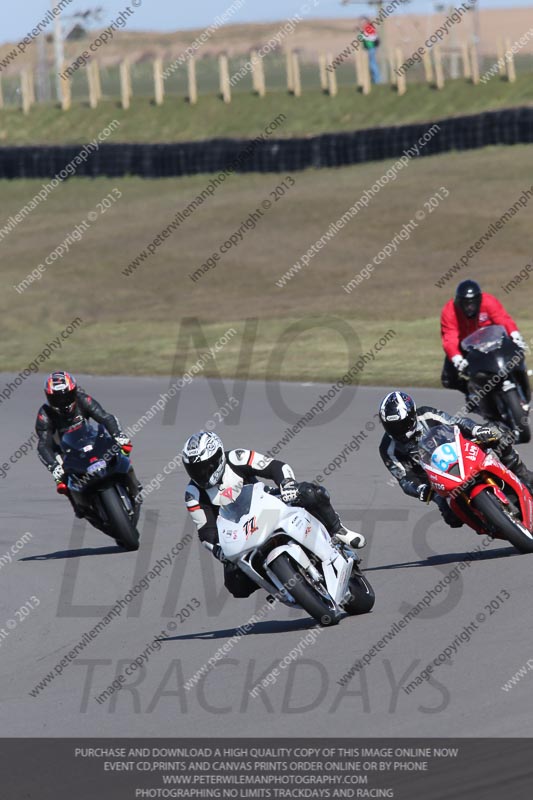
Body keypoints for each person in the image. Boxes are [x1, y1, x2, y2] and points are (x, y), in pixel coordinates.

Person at [182, 431, 365, 598]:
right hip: (240, 532)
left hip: (267, 504)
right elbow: (206, 530)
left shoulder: (237, 457)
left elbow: (275, 467)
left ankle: (337, 530)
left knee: (311, 493)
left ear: (218, 457)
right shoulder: (193, 494)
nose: (201, 474)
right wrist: (217, 549)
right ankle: (276, 579)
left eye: (205, 467)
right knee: (235, 584)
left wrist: (286, 484)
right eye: (195, 470)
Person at [378, 391, 533, 528]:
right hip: (435, 480)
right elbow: (403, 478)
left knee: (499, 437)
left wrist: (477, 429)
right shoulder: (387, 448)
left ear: (411, 415)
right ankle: (488, 521)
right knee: (452, 518)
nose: (398, 430)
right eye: (392, 426)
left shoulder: (427, 414)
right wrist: (420, 489)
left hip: (460, 451)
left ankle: (521, 471)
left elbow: (456, 422)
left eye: (400, 424)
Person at [35, 371, 140, 516]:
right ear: (49, 397)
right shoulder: (44, 414)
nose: (63, 402)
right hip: (64, 451)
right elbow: (43, 445)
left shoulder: (83, 399)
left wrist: (119, 435)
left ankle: (133, 482)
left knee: (121, 449)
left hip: (88, 438)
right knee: (62, 480)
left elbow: (106, 417)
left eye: (66, 396)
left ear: (74, 391)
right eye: (57, 399)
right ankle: (78, 504)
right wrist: (53, 467)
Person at [441, 279, 529, 398]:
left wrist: (514, 334)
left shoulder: (489, 301)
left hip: (491, 339)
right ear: (459, 302)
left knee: (516, 354)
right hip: (465, 346)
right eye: (466, 304)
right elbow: (449, 338)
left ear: (479, 300)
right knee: (448, 379)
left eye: (472, 303)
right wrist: (457, 358)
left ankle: (521, 383)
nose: (470, 308)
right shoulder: (449, 311)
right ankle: (473, 394)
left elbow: (503, 319)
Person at [359, 17, 381, 84]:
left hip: (371, 48)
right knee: (372, 63)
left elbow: (371, 37)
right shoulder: (367, 28)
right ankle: (375, 79)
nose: (361, 23)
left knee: (372, 64)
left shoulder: (368, 28)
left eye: (363, 22)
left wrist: (362, 35)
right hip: (370, 48)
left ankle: (377, 80)